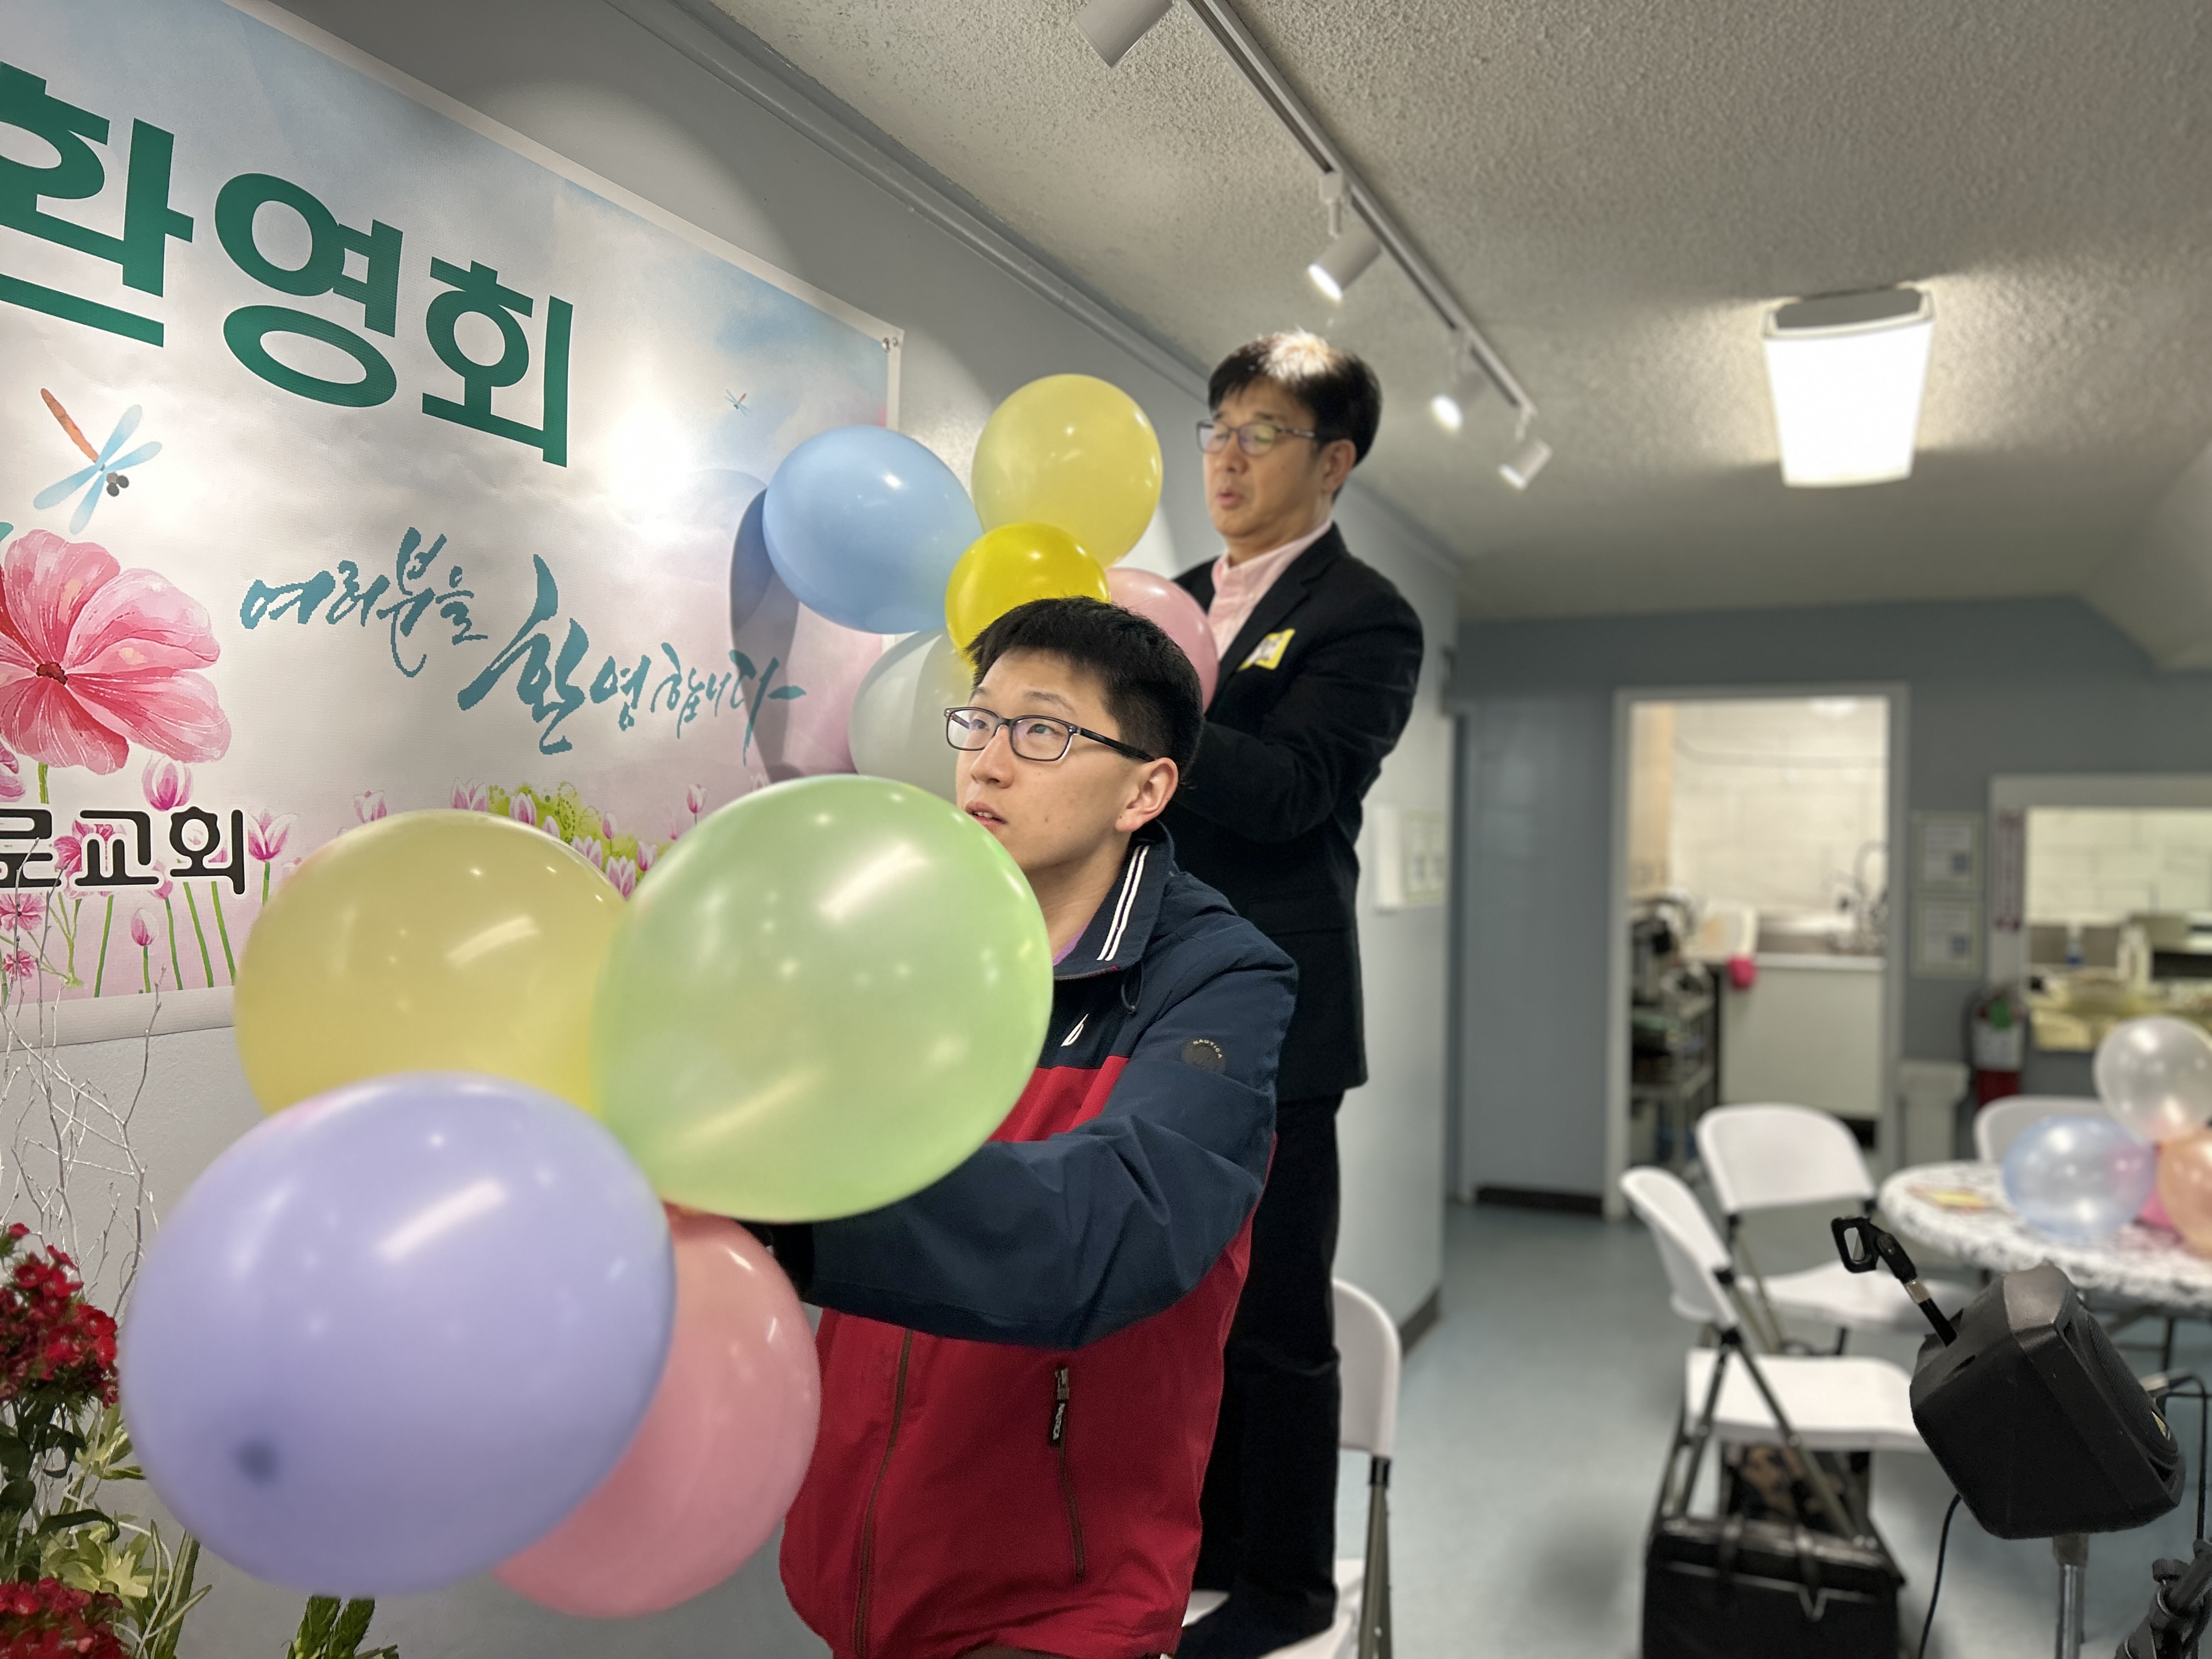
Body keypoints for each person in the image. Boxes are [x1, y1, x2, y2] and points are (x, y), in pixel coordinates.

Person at [772, 596, 1298, 1659]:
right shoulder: (908, 944)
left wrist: (791, 1208)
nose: (987, 763)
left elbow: (1116, 1225)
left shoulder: (1219, 982)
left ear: (1146, 789)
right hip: (858, 1568)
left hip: (1055, 1607)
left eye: (1043, 731)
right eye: (979, 722)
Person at [1168, 332, 1425, 1659]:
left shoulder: (1363, 615)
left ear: (1334, 463)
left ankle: (1287, 1586)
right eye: (1216, 427)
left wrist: (1142, 716)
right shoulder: (1162, 602)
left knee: (1273, 1312)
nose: (1226, 455)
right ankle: (1198, 1546)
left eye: (1260, 431)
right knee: (1172, 1299)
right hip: (1150, 1002)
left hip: (1277, 1018)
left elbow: (1292, 794)